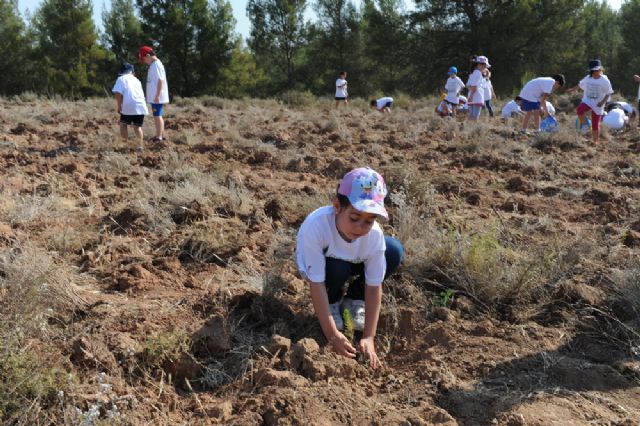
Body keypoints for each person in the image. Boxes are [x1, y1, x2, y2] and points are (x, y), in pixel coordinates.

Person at [296, 167, 404, 369]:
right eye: (354, 218)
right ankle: (333, 300)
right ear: (337, 206)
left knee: (393, 251)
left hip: (354, 259)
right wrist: (332, 335)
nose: (360, 227)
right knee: (337, 268)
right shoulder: (316, 227)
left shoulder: (373, 236)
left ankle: (354, 298)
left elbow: (374, 286)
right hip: (328, 265)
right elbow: (316, 283)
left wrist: (369, 337)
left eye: (369, 221)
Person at [566, 59, 614, 144]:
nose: (596, 72)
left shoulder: (604, 80)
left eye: (598, 70)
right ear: (592, 70)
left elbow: (608, 93)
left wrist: (602, 102)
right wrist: (572, 90)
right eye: (594, 70)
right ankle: (585, 126)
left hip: (598, 103)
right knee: (579, 110)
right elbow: (580, 85)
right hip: (587, 100)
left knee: (595, 124)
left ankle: (595, 142)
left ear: (601, 69)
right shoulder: (588, 78)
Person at [111, 63, 148, 151]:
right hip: (141, 105)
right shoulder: (137, 80)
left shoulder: (121, 79)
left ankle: (125, 145)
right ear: (132, 72)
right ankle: (140, 146)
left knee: (123, 124)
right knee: (137, 127)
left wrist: (119, 106)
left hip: (129, 105)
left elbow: (117, 93)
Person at [139, 46, 169, 142]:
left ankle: (159, 137)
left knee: (157, 116)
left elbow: (160, 80)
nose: (144, 62)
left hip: (157, 97)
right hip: (155, 96)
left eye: (144, 59)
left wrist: (157, 95)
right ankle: (160, 134)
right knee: (157, 115)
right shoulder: (153, 65)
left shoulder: (157, 65)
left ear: (148, 55)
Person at [466, 55, 490, 121]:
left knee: (471, 115)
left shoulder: (472, 73)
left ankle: (469, 129)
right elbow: (475, 87)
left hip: (471, 96)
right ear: (479, 64)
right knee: (475, 116)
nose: (485, 67)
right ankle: (473, 129)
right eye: (484, 65)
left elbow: (468, 85)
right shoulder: (478, 73)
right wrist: (471, 96)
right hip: (477, 97)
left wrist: (470, 95)